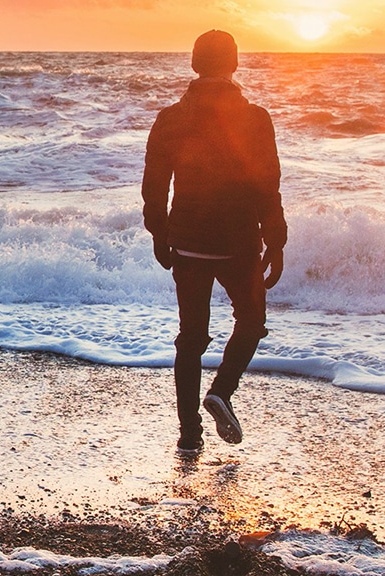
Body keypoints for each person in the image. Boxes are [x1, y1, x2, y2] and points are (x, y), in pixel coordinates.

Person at [142, 30, 287, 456]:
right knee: (251, 321)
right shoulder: (255, 118)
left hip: (186, 240)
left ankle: (190, 435)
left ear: (193, 63)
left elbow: (154, 185)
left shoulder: (170, 118)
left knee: (191, 338)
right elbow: (268, 185)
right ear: (235, 64)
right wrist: (275, 242)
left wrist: (159, 232)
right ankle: (222, 391)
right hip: (239, 240)